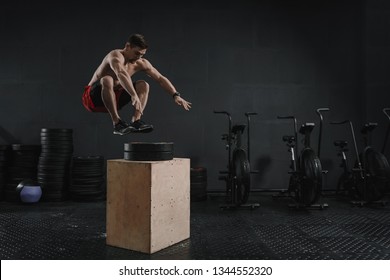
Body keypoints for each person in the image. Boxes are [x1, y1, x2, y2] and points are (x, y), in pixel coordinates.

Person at [82, 34, 192, 135]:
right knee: (107, 79)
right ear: (127, 46)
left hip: (114, 98)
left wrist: (175, 95)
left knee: (143, 85)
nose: (138, 57)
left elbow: (160, 78)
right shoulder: (115, 56)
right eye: (136, 53)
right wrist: (133, 95)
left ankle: (136, 121)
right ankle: (117, 123)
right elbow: (121, 73)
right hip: (92, 99)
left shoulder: (141, 63)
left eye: (142, 54)